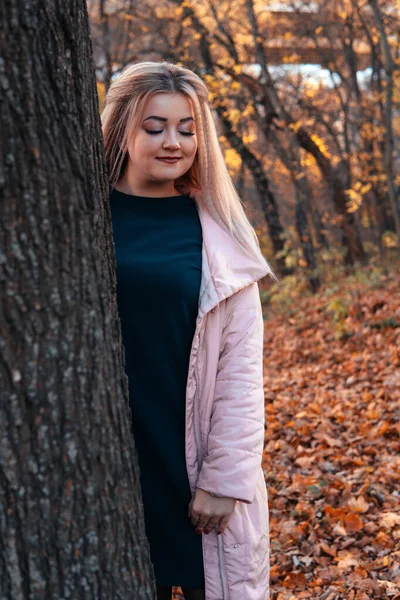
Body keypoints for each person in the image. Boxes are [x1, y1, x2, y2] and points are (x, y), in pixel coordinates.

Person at [101, 61, 278, 600]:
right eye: (155, 127)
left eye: (187, 127)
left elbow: (241, 374)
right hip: (109, 464)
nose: (173, 142)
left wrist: (224, 482)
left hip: (191, 466)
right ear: (122, 128)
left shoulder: (220, 235)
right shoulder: (84, 216)